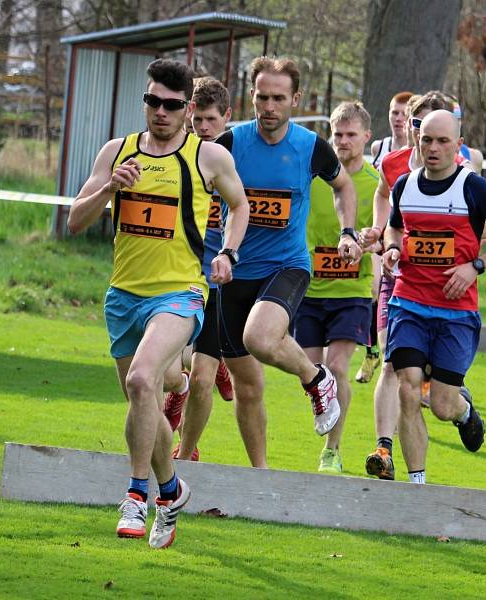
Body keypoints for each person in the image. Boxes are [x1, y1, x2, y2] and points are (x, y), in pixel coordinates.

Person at [67, 59, 249, 548]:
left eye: (172, 105)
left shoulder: (207, 157)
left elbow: (240, 204)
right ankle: (170, 491)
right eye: (153, 102)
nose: (161, 112)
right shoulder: (117, 152)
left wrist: (228, 252)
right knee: (141, 401)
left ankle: (135, 495)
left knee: (143, 378)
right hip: (124, 294)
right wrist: (110, 188)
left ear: (187, 107)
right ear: (145, 101)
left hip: (181, 292)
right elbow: (74, 222)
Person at [215, 56, 362, 469]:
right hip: (233, 273)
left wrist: (347, 232)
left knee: (260, 339)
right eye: (262, 97)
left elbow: (343, 186)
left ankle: (317, 378)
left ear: (295, 99)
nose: (269, 106)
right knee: (246, 387)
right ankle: (261, 475)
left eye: (279, 98)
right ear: (252, 96)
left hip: (286, 266)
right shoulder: (230, 143)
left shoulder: (310, 146)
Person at [381, 110, 486, 484]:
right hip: (408, 303)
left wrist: (475, 266)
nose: (433, 147)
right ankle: (417, 486)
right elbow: (394, 229)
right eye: (427, 139)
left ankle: (465, 413)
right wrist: (393, 249)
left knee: (442, 405)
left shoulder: (473, 187)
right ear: (417, 141)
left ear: (458, 145)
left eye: (443, 141)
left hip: (454, 313)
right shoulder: (404, 185)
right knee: (409, 390)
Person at [363, 91, 456, 481]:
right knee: (390, 361)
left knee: (434, 393)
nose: (420, 133)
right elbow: (383, 196)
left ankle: (456, 403)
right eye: (417, 124)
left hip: (441, 287)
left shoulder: (462, 167)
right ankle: (383, 448)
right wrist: (384, 236)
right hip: (398, 277)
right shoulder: (392, 163)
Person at [294, 101, 379, 474]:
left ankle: (332, 450)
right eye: (337, 134)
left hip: (352, 291)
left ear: (366, 137)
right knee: (310, 372)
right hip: (310, 290)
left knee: (338, 367)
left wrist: (366, 241)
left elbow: (387, 233)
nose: (343, 141)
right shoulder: (312, 178)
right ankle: (324, 407)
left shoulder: (376, 184)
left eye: (350, 135)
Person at [169, 77, 237, 462]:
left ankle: (186, 452)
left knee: (201, 378)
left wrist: (230, 253)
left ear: (227, 117)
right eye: (199, 120)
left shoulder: (232, 159)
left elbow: (245, 210)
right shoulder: (179, 155)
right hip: (180, 275)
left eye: (212, 120)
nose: (204, 128)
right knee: (172, 366)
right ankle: (184, 385)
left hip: (220, 279)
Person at [356, 91, 415, 385]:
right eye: (394, 112)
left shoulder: (426, 151)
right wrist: (376, 228)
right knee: (376, 285)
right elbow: (379, 190)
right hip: (385, 232)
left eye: (405, 113)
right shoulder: (381, 148)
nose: (399, 119)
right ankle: (373, 350)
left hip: (412, 237)